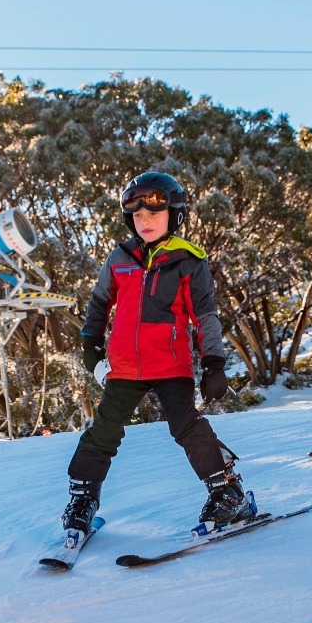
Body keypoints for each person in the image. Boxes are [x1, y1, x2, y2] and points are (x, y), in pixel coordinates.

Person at [63, 171, 251, 536]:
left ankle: (228, 491)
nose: (144, 221)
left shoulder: (188, 260)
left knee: (186, 426)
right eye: (137, 216)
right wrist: (91, 346)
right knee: (103, 431)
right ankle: (83, 499)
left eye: (153, 214)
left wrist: (214, 362)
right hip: (125, 367)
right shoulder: (120, 258)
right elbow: (99, 304)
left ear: (174, 215)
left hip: (170, 366)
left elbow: (205, 314)